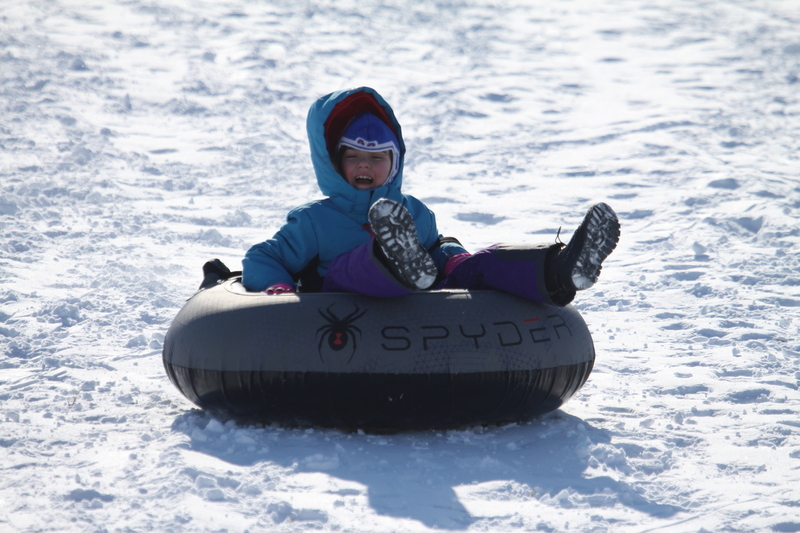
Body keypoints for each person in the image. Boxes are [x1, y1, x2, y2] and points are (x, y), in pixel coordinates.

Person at [242, 87, 620, 306]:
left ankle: (560, 269)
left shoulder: (415, 212)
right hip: (343, 299)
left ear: (394, 164)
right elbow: (262, 256)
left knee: (477, 265)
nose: (364, 166)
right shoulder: (314, 220)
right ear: (333, 163)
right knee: (348, 268)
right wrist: (279, 286)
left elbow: (435, 246)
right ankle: (391, 258)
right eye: (353, 156)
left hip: (419, 301)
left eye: (376, 158)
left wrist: (453, 259)